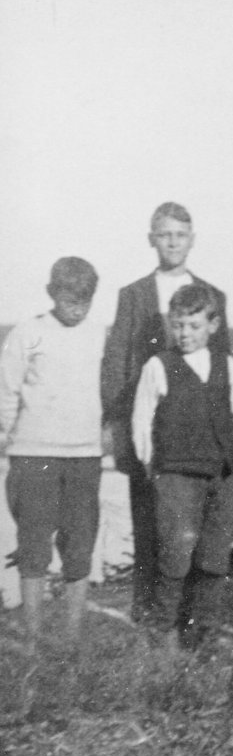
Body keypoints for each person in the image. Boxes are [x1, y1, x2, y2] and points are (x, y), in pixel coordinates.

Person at [101, 202, 229, 622]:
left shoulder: (212, 295)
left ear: (191, 239)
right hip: (153, 430)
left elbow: (220, 373)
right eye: (164, 234)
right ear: (152, 239)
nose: (172, 242)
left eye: (180, 234)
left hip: (197, 434)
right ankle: (149, 614)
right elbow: (118, 363)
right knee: (153, 525)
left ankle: (192, 618)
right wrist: (120, 428)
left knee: (195, 535)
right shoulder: (134, 294)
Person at [0, 258, 104, 646]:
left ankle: (72, 639)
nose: (77, 306)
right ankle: (32, 637)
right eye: (69, 297)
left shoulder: (98, 335)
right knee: (34, 545)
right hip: (33, 453)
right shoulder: (28, 332)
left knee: (80, 544)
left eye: (85, 299)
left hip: (84, 455)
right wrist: (8, 434)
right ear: (51, 293)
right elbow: (7, 390)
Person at [131, 283, 233, 650]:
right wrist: (151, 465)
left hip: (219, 474)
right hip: (176, 474)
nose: (185, 334)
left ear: (213, 324)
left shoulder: (228, 364)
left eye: (193, 326)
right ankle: (163, 630)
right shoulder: (159, 365)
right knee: (175, 555)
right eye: (178, 326)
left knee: (214, 556)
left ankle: (204, 632)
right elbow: (141, 421)